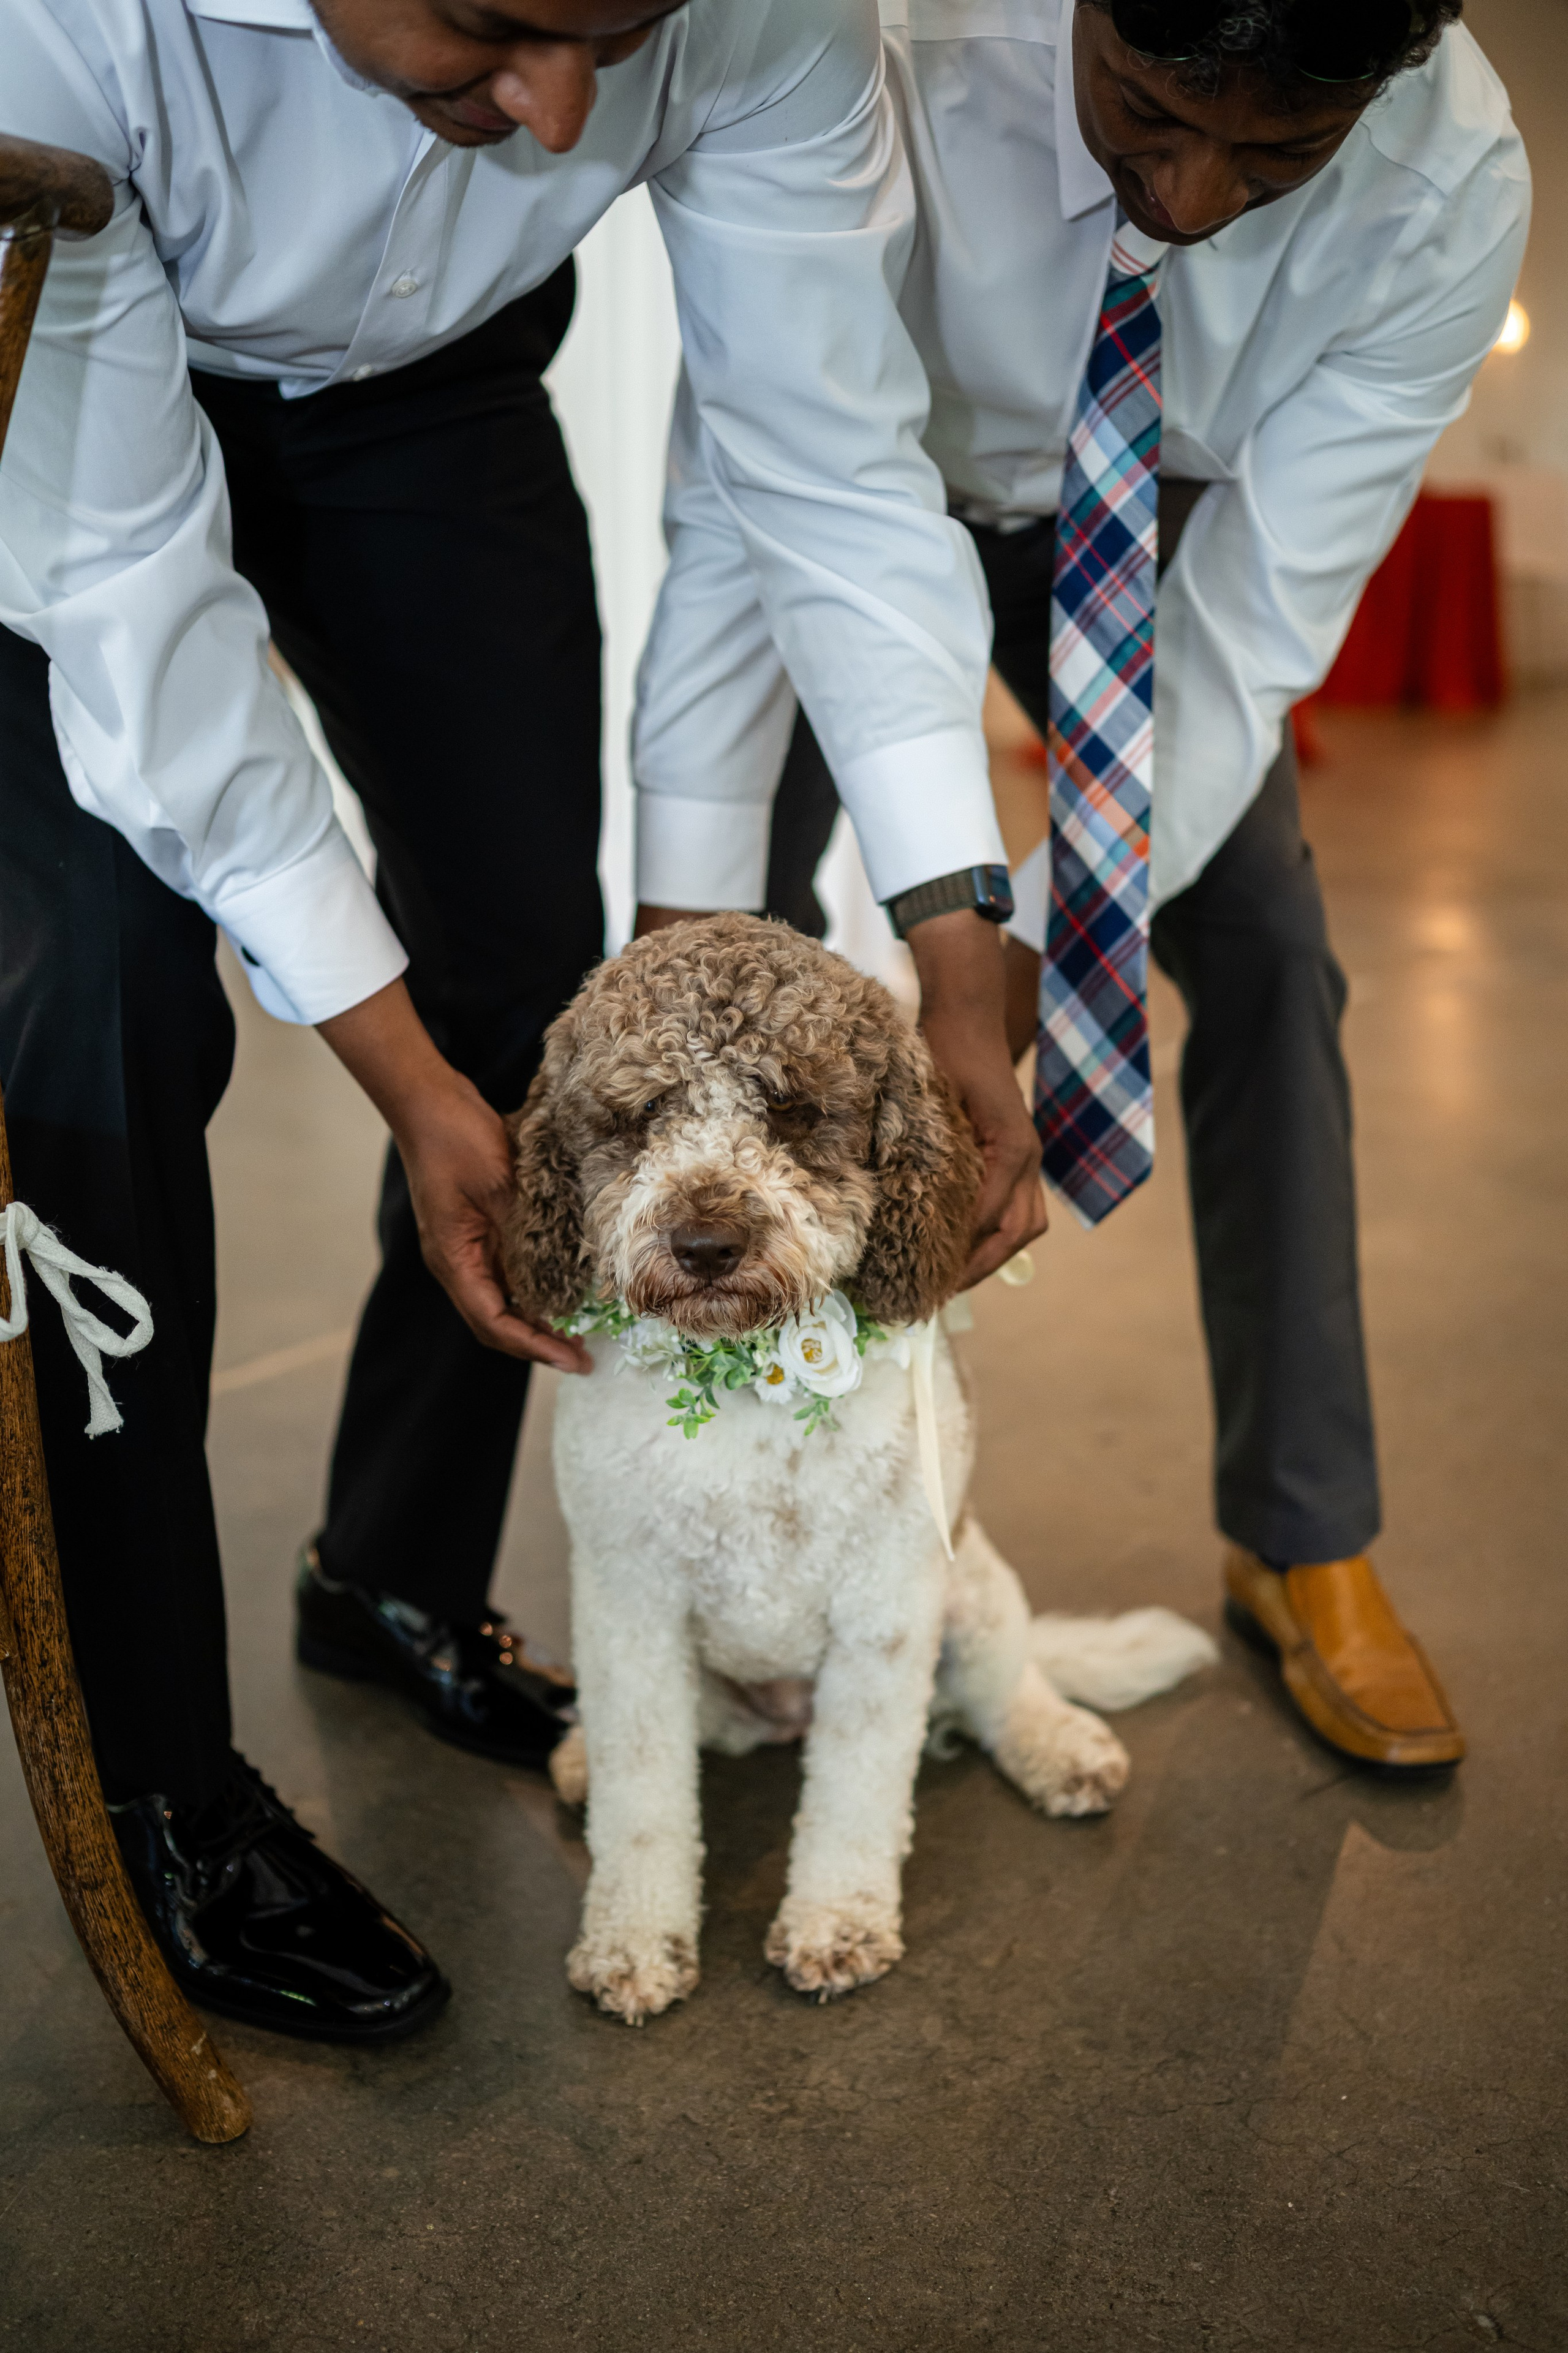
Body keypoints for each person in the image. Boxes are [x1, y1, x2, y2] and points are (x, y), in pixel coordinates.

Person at [0, 0, 1046, 2039]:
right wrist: (386, 1075)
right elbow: (134, 583)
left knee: (525, 982)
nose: (563, 112)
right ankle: (160, 1789)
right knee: (107, 1005)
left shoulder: (765, 20)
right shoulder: (66, 30)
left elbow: (827, 467)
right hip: (54, 378)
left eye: (618, 37)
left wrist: (959, 954)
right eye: (493, 19)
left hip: (428, 396)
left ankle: (389, 1566)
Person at [631, 0, 1529, 1769]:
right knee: (700, 991)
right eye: (1144, 115)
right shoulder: (900, 36)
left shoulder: (1453, 181)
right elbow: (772, 466)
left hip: (1145, 549)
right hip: (840, 491)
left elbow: (1256, 623)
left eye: (1275, 159)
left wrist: (1030, 949)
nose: (1192, 201)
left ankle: (1304, 1534)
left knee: (1271, 951)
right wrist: (687, 888)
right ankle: (696, 1541)